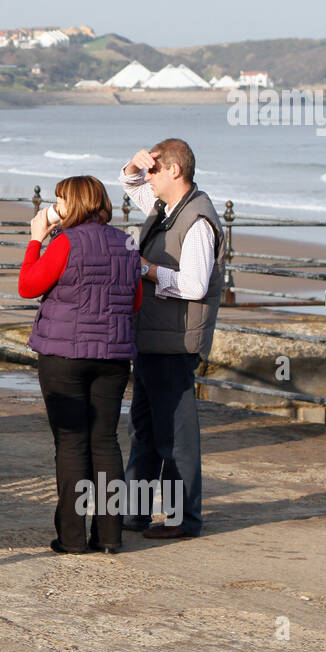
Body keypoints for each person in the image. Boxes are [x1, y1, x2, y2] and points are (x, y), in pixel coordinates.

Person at [19, 176, 141, 554]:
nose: (56, 209)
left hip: (65, 355)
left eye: (61, 202)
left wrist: (37, 237)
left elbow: (28, 285)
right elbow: (134, 301)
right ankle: (109, 536)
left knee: (71, 443)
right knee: (106, 442)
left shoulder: (65, 242)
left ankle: (71, 537)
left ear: (74, 205)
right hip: (114, 356)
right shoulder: (126, 242)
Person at [119, 139, 226, 540]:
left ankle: (184, 520)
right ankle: (135, 512)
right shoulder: (168, 209)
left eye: (154, 169)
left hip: (177, 341)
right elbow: (131, 184)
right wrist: (135, 161)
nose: (148, 177)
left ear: (174, 172)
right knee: (144, 428)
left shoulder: (197, 220)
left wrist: (147, 270)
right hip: (155, 337)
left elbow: (195, 286)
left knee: (176, 436)